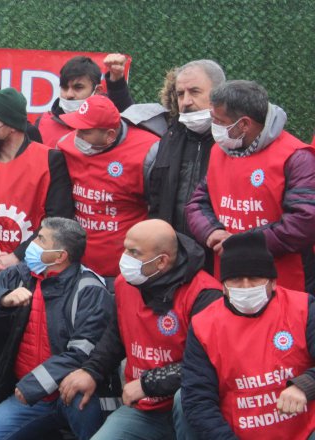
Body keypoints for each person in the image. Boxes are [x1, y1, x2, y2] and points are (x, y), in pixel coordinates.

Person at [58, 219, 223, 440]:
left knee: (186, 396)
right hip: (143, 408)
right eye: (125, 248)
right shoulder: (124, 283)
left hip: (188, 407)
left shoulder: (205, 295)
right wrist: (91, 371)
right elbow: (116, 335)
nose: (125, 258)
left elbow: (205, 366)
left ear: (162, 261)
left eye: (134, 252)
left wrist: (148, 384)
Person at [0, 217, 110, 440]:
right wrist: (2, 299)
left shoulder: (89, 289)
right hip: (31, 397)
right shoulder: (22, 274)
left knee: (90, 422)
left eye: (40, 239)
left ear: (60, 256)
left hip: (71, 394)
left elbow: (82, 354)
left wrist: (33, 385)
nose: (31, 244)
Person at [182, 231, 315, 439]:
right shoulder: (203, 325)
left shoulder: (303, 308)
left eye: (254, 278)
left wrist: (306, 385)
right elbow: (197, 400)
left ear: (273, 282)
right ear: (223, 286)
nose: (246, 286)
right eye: (235, 279)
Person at [186, 80, 315, 293]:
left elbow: (304, 222)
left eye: (219, 121)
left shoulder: (296, 157)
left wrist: (243, 244)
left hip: (285, 282)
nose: (214, 127)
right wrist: (211, 231)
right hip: (229, 277)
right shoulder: (220, 151)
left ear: (244, 124)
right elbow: (197, 203)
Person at [0, 87, 74, 277]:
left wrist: (17, 256)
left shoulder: (50, 161)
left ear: (12, 125)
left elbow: (58, 219)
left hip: (38, 269)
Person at [57, 94, 159, 287]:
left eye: (85, 131)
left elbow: (159, 212)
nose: (77, 136)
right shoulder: (65, 146)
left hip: (125, 272)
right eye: (77, 128)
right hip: (77, 268)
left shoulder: (148, 152)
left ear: (110, 135)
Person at [148, 60, 225, 235]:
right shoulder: (169, 138)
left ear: (219, 93)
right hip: (174, 245)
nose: (186, 101)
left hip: (216, 244)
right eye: (180, 94)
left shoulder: (235, 143)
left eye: (195, 92)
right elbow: (156, 199)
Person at [35, 54, 134, 147]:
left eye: (78, 87)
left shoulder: (108, 124)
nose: (69, 94)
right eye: (64, 87)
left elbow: (127, 118)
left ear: (97, 91)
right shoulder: (42, 123)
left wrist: (117, 83)